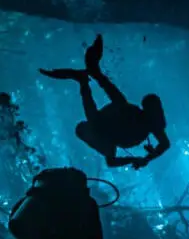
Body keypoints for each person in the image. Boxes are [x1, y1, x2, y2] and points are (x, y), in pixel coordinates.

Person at [40, 34, 170, 171]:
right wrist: (142, 159)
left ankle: (92, 74)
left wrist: (142, 159)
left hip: (120, 123)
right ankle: (92, 74)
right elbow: (164, 144)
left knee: (112, 106)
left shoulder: (109, 136)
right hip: (121, 122)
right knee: (112, 106)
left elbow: (163, 144)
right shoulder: (142, 124)